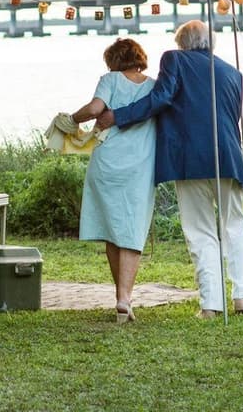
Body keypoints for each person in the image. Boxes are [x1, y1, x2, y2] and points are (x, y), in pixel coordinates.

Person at [96, 20, 243, 319]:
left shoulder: (174, 59)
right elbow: (232, 117)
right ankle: (242, 296)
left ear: (181, 42)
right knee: (235, 226)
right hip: (229, 157)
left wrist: (118, 116)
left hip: (190, 157)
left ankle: (211, 304)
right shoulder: (233, 72)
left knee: (200, 230)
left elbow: (161, 98)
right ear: (211, 42)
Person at [71, 37, 157, 323]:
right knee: (131, 228)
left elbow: (95, 109)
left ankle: (120, 297)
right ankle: (124, 299)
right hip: (139, 167)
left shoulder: (110, 79)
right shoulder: (154, 86)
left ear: (113, 60)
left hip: (107, 162)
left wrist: (72, 119)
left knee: (112, 228)